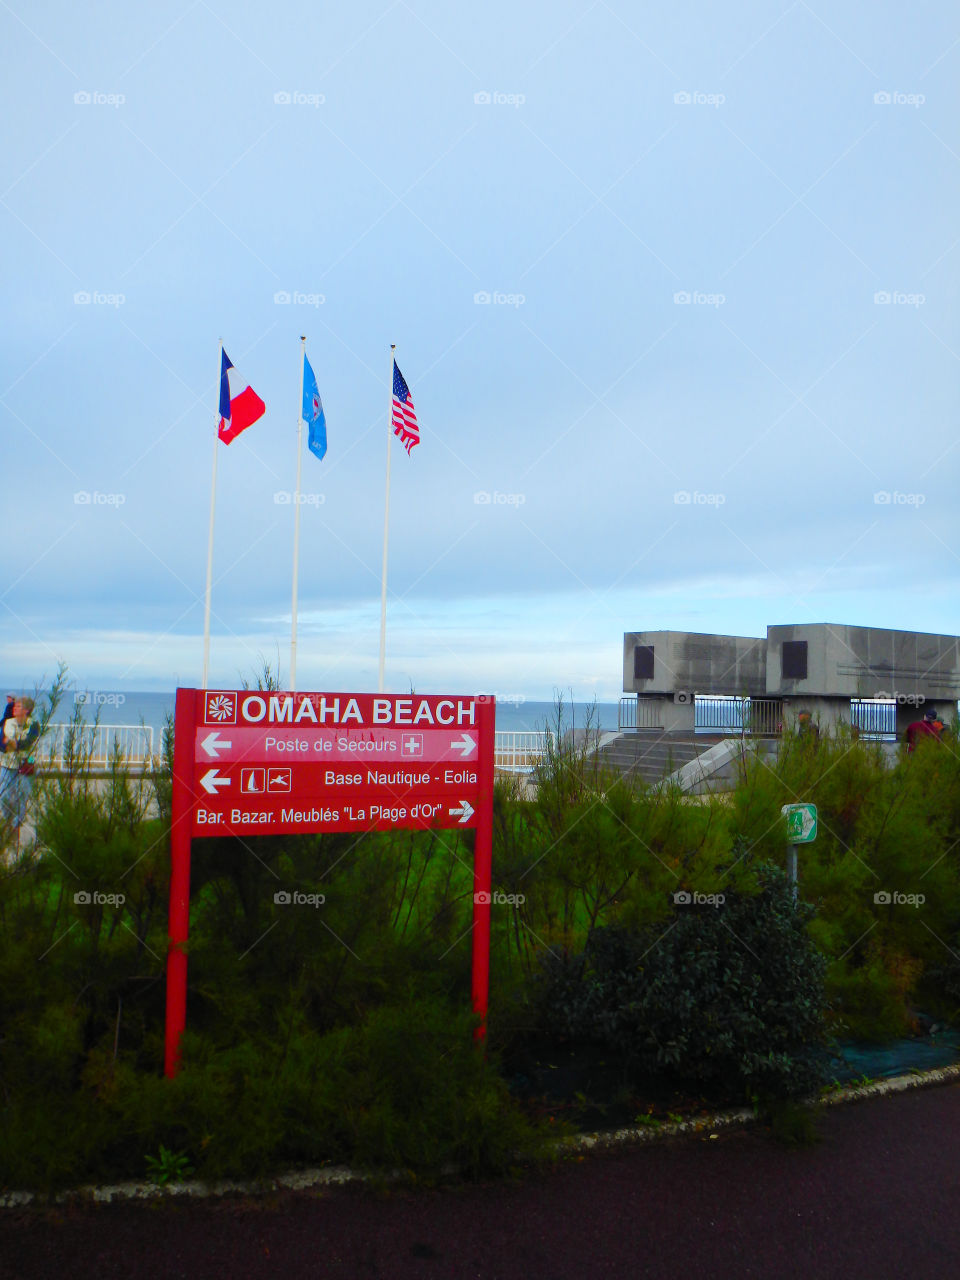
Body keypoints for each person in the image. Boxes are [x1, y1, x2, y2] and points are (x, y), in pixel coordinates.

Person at [1, 696, 38, 830]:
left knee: (22, 795)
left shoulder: (34, 724)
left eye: (18, 707)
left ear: (27, 710)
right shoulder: (8, 722)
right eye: (15, 706)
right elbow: (4, 742)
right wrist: (12, 743)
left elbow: (28, 743)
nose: (14, 708)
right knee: (3, 795)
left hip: (26, 763)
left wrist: (13, 744)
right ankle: (7, 820)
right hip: (7, 763)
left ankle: (16, 825)